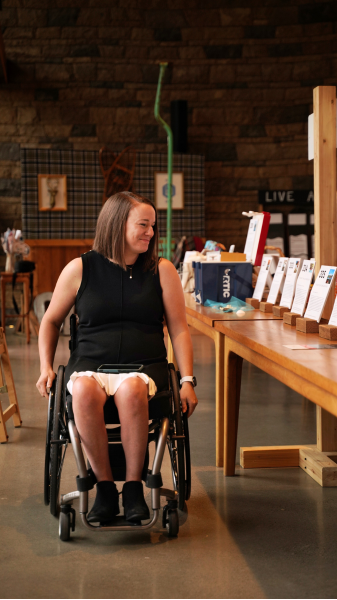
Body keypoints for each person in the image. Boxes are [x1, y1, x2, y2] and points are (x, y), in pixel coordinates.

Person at [36, 192, 198, 524]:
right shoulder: (80, 268)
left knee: (132, 390)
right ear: (116, 224)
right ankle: (106, 489)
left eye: (153, 226)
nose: (150, 233)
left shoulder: (161, 270)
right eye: (143, 225)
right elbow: (50, 321)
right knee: (80, 391)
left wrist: (186, 380)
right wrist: (45, 367)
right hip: (90, 364)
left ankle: (135, 488)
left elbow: (179, 330)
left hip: (144, 369)